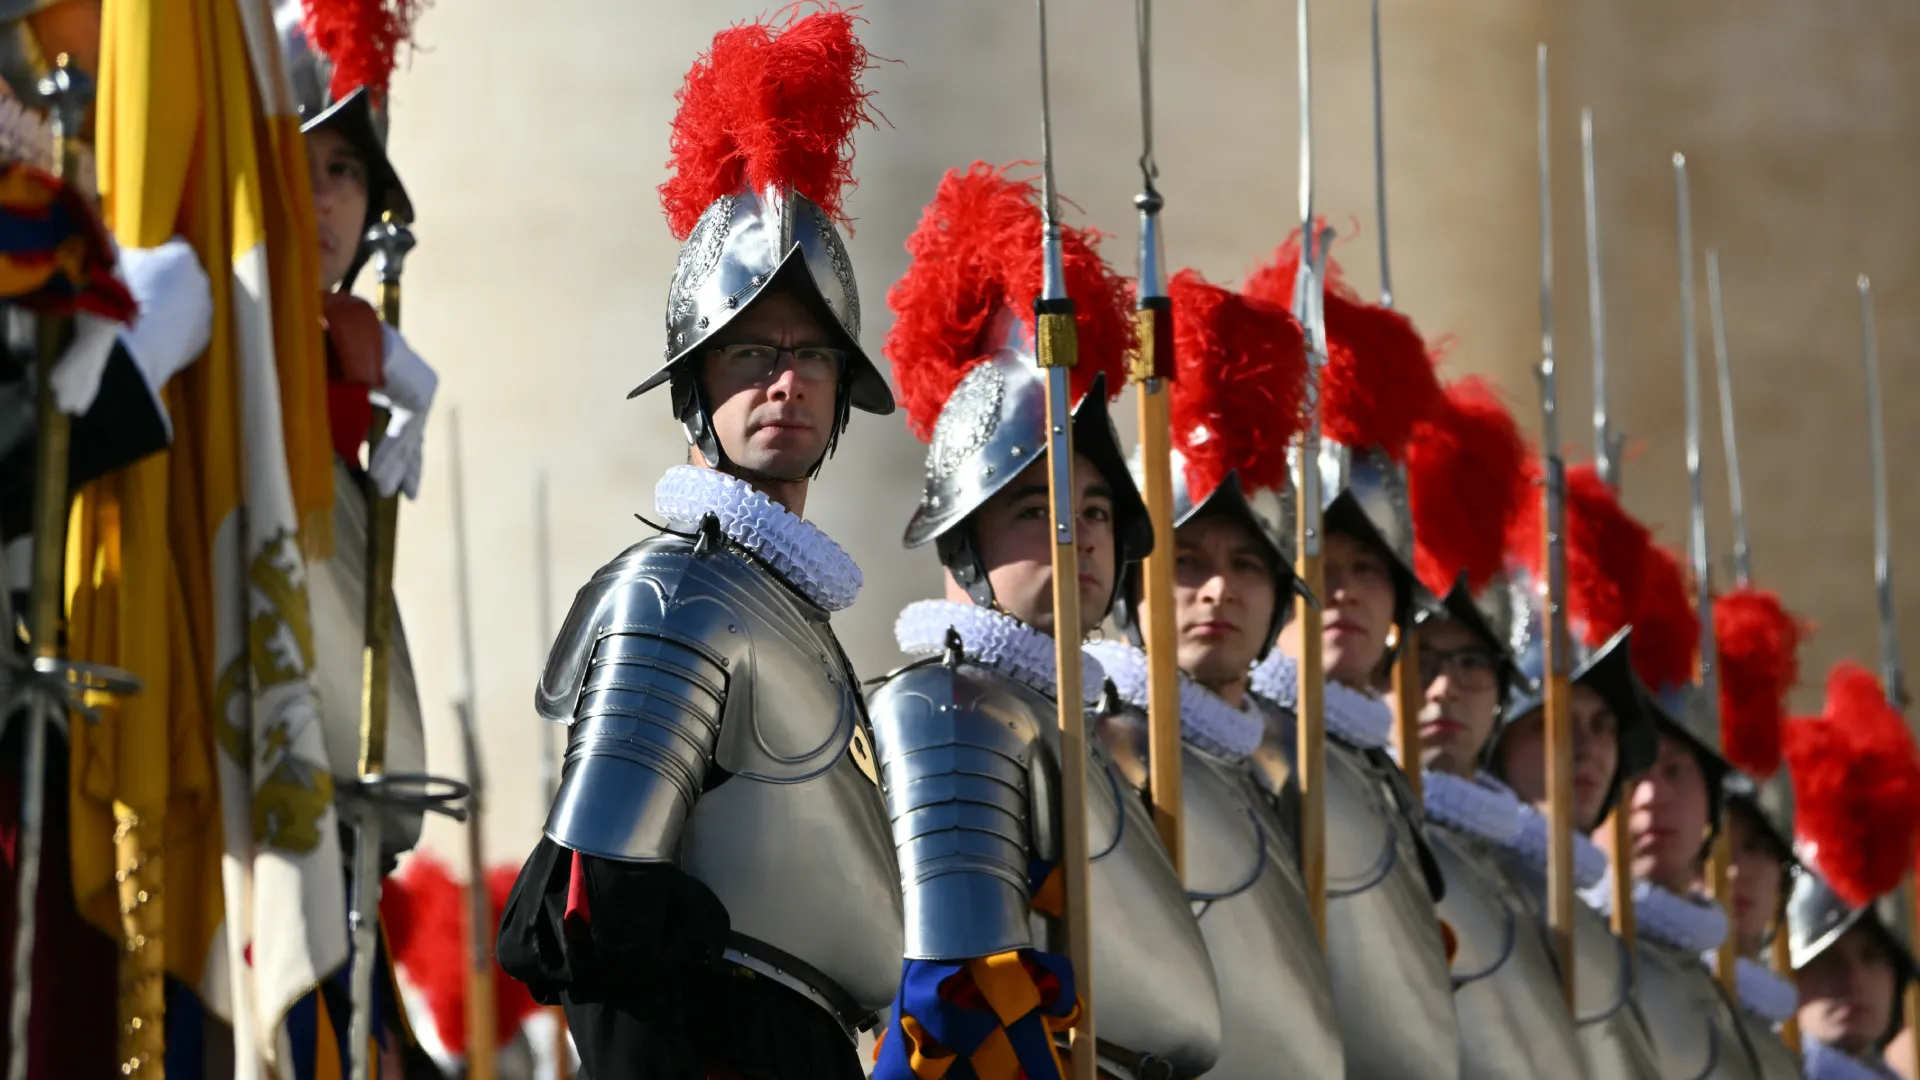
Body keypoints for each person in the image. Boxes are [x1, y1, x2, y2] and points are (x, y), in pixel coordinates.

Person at [496, 12, 905, 1080]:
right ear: (695, 387)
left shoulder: (802, 617)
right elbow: (601, 926)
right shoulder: (680, 596)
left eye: (813, 352)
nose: (787, 379)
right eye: (754, 350)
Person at [865, 163, 1219, 1080]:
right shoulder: (953, 709)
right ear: (963, 542)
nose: (1082, 535)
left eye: (1098, 512)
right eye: (1040, 510)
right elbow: (963, 1006)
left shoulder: (1080, 722)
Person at [1088, 267, 1343, 1077]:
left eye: (1246, 565)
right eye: (1186, 561)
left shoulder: (1279, 768)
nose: (1218, 590)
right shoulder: (1105, 750)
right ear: (1136, 581)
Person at [1243, 236, 1458, 1080]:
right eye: (1327, 564)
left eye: (1372, 570)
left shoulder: (1380, 767)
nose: (1349, 592)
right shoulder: (1243, 741)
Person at [1398, 376, 1588, 1078]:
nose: (1446, 685)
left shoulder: (1531, 870)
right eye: (1425, 658)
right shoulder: (1342, 806)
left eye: (1473, 661)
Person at [1478, 462, 1664, 1079]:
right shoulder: (1467, 884)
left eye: (1603, 726)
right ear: (1501, 742)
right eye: (1554, 725)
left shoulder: (1604, 919)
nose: (1589, 750)